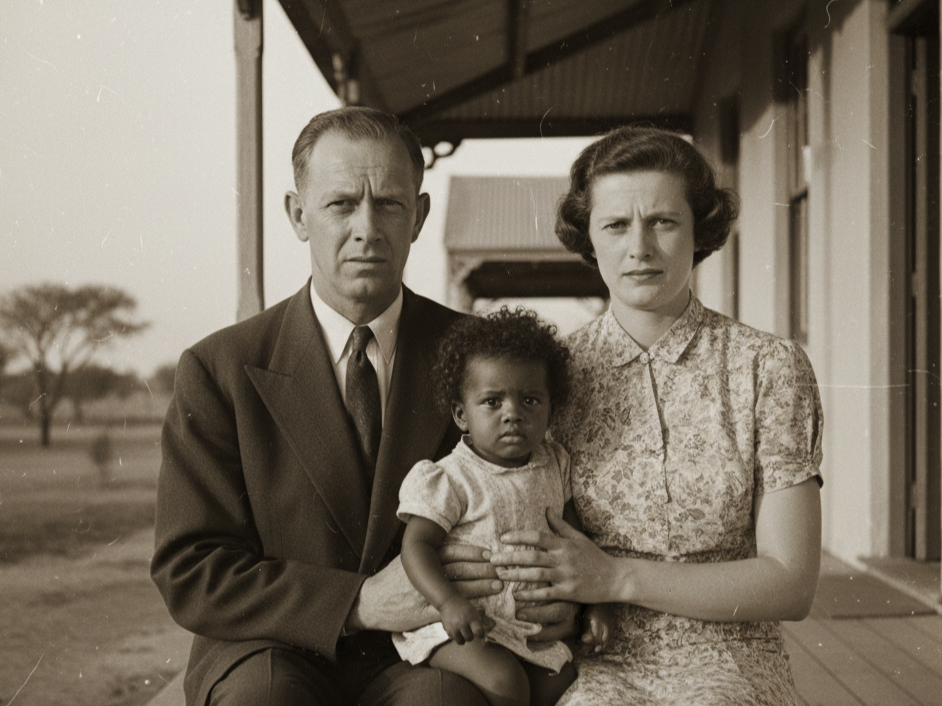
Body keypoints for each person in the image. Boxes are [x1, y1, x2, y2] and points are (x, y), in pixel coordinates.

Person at [150, 107, 575, 706]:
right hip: (274, 647)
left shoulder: (486, 362)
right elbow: (191, 570)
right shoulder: (218, 368)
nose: (367, 228)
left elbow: (547, 502)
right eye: (341, 204)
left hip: (439, 645)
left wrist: (566, 601)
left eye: (390, 204)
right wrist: (358, 603)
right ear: (298, 215)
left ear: (419, 217)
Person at [489, 125, 824, 705]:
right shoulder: (548, 381)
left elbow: (791, 583)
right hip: (590, 657)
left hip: (731, 658)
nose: (639, 247)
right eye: (616, 225)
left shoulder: (767, 367)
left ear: (699, 231)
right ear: (589, 238)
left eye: (663, 222)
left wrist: (616, 577)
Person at [394, 308, 612, 706]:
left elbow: (577, 543)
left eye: (530, 400)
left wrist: (594, 605)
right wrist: (448, 603)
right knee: (506, 683)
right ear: (462, 414)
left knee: (559, 683)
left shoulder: (554, 464)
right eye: (492, 402)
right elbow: (416, 545)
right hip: (463, 625)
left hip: (525, 629)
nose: (513, 413)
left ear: (550, 410)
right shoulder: (452, 478)